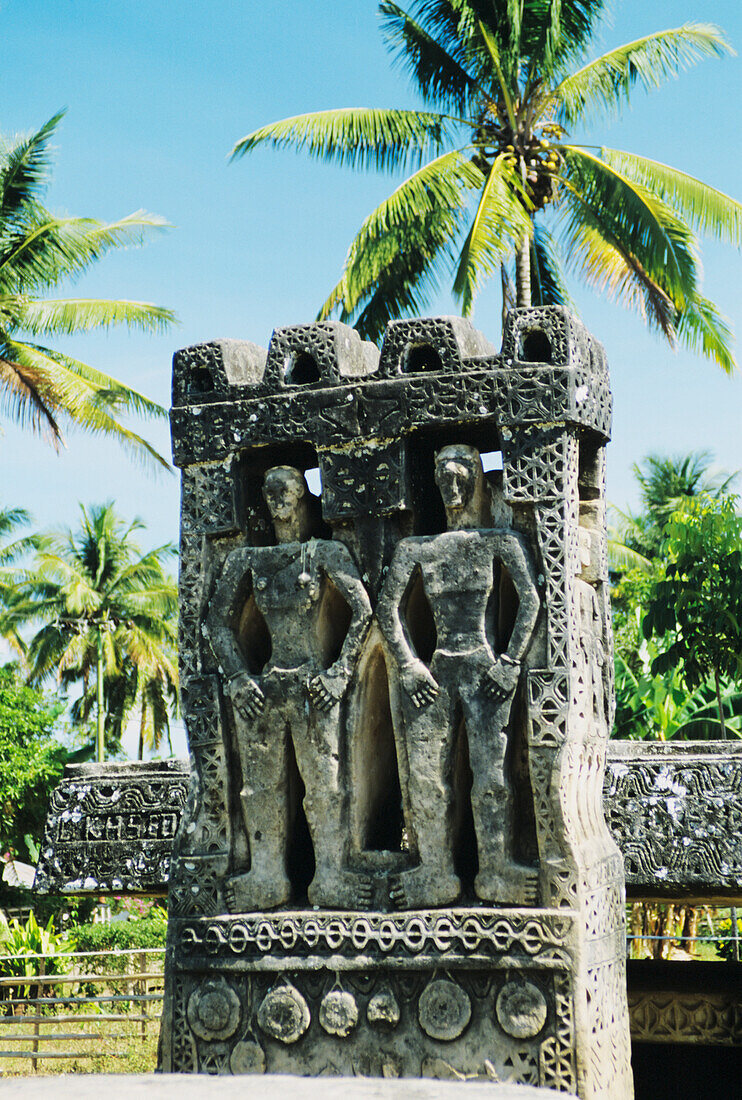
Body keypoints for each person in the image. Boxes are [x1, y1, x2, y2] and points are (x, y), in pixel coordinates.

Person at [377, 444, 540, 908]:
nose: (452, 488)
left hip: (485, 668)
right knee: (428, 777)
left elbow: (529, 599)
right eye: (443, 479)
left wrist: (510, 662)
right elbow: (387, 609)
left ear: (476, 481)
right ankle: (434, 870)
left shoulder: (499, 541)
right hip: (439, 670)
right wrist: (409, 665)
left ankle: (496, 868)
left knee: (491, 777)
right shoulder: (417, 549)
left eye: (460, 477)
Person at [206, 466, 372, 910]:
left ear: (303, 494)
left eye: (287, 489)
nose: (278, 497)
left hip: (313, 685)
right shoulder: (249, 561)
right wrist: (240, 677)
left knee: (324, 785)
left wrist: (339, 672)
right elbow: (216, 623)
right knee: (259, 789)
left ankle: (332, 873)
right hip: (267, 687)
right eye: (270, 489)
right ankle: (266, 875)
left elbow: (363, 610)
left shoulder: (323, 553)